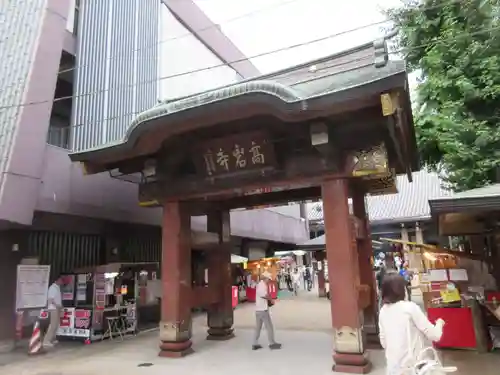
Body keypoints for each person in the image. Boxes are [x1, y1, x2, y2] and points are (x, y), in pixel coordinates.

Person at [378, 272, 445, 375]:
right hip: (412, 368)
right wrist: (440, 323)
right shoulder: (410, 308)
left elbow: (384, 343)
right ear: (401, 289)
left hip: (393, 369)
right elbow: (435, 335)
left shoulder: (383, 311)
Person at [252, 271, 281, 350]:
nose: (269, 280)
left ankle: (255, 343)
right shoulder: (261, 285)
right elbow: (264, 295)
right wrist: (271, 300)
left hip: (258, 310)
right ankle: (272, 343)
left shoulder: (261, 285)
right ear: (266, 278)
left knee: (258, 327)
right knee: (269, 327)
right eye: (268, 279)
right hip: (263, 310)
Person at [43, 275, 64, 347]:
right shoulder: (52, 288)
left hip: (57, 308)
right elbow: (50, 299)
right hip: (53, 308)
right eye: (60, 280)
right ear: (57, 280)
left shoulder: (57, 287)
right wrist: (57, 305)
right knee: (53, 325)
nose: (62, 281)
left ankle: (52, 339)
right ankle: (46, 340)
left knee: (56, 325)